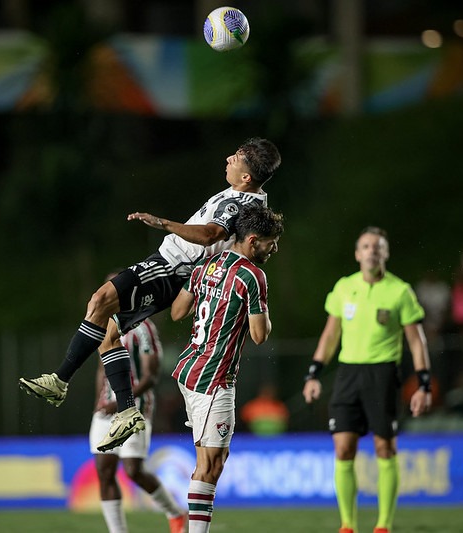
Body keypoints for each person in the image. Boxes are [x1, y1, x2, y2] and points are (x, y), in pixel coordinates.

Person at [19, 137, 282, 452]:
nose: (228, 158)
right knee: (108, 332)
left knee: (99, 300)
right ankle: (128, 411)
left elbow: (211, 234)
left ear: (246, 177)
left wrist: (164, 223)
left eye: (236, 158)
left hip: (169, 266)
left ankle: (60, 381)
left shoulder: (238, 203)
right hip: (177, 272)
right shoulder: (253, 199)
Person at [302, 226, 432, 533]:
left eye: (378, 246)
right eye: (366, 246)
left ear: (385, 253)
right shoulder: (344, 288)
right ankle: (347, 525)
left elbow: (417, 342)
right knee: (343, 448)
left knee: (384, 447)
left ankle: (383, 525)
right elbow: (330, 335)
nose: (372, 250)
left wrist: (423, 384)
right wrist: (314, 374)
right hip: (348, 374)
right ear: (357, 254)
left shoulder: (400, 291)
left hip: (383, 373)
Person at [170, 203, 284, 533]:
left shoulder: (205, 266)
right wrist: (258, 305)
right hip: (214, 378)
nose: (273, 248)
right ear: (251, 240)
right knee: (211, 464)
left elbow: (178, 311)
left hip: (189, 368)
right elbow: (260, 336)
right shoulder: (252, 276)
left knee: (208, 460)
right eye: (270, 241)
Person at [89, 275, 187, 533]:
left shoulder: (142, 328)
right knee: (104, 470)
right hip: (106, 408)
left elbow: (151, 376)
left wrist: (120, 401)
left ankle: (175, 513)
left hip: (135, 407)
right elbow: (102, 366)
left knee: (133, 470)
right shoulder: (100, 323)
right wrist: (99, 399)